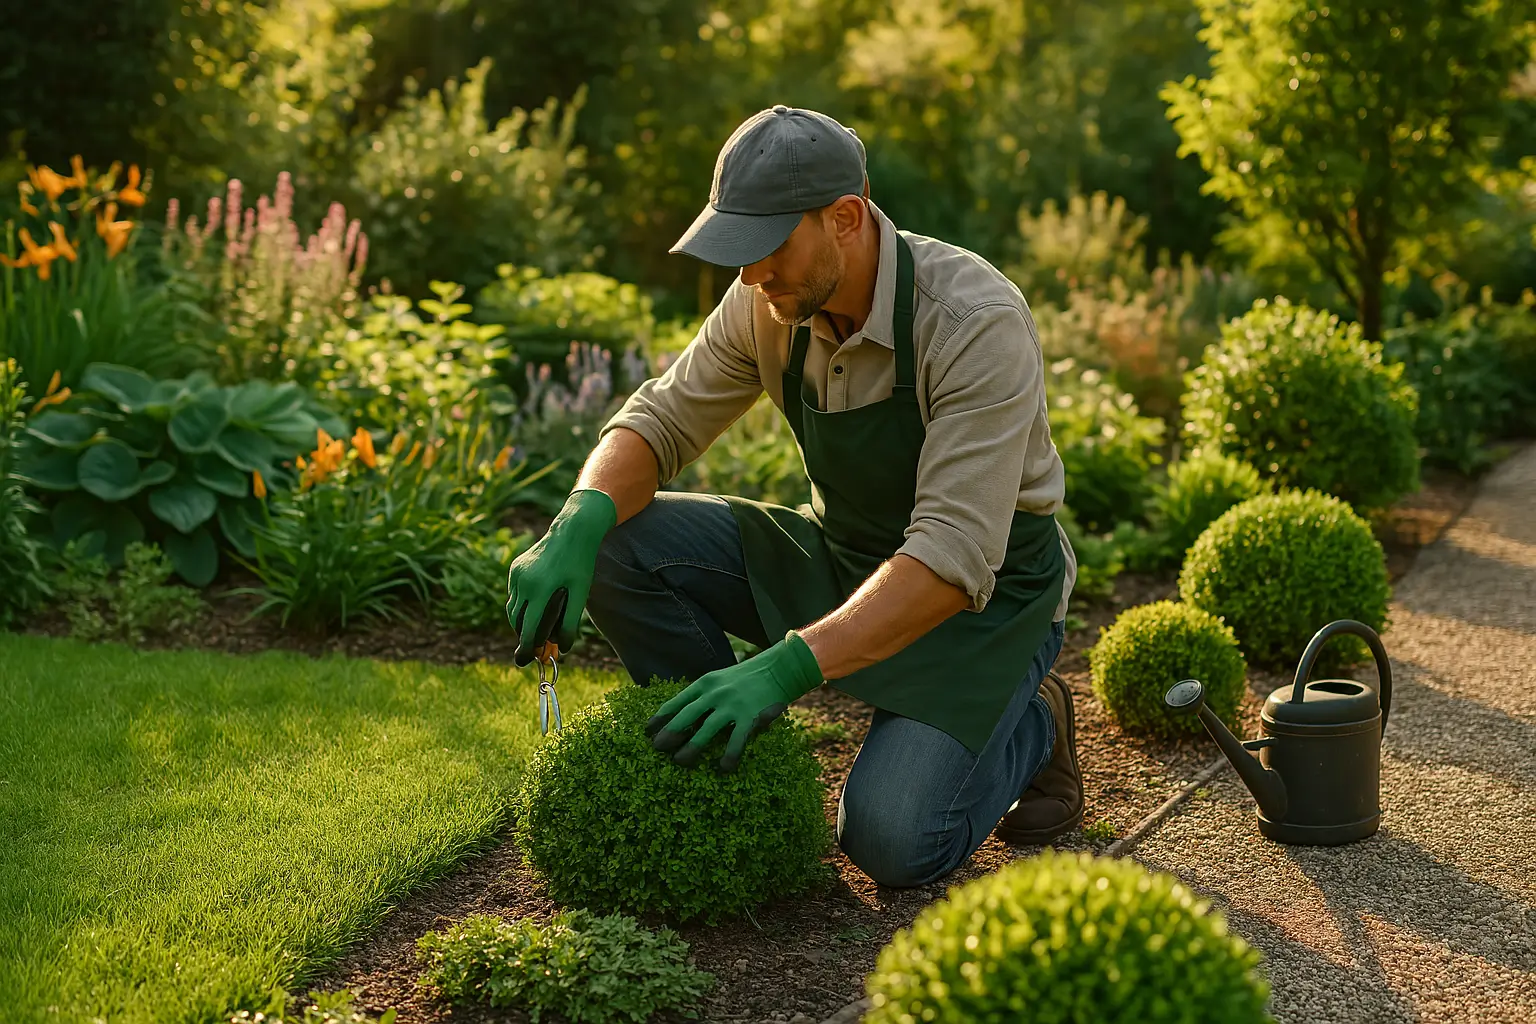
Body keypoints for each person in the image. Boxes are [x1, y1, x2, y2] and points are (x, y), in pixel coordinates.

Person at [506, 105, 1083, 888]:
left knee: (890, 842)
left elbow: (951, 555)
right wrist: (580, 516)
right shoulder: (769, 303)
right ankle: (735, 758)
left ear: (845, 218)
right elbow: (662, 418)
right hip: (845, 553)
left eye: (766, 247)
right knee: (616, 539)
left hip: (983, 603)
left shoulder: (972, 322)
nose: (749, 275)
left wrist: (782, 668)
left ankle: (1035, 720)